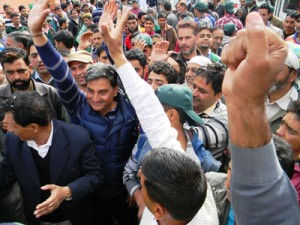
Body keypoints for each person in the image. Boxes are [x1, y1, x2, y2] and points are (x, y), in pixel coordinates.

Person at [98, 2, 300, 224]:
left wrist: (247, 103)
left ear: (157, 211)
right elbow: (153, 116)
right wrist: (117, 55)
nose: (139, 175)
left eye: (142, 180)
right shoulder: (188, 188)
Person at [28, 2, 140, 224]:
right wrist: (38, 35)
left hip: (124, 192)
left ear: (116, 90)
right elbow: (60, 72)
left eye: (103, 92)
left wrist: (135, 187)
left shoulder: (132, 109)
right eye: (90, 91)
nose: (95, 98)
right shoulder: (79, 105)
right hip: (90, 192)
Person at [0, 91, 102, 225]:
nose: (9, 130)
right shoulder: (13, 141)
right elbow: (5, 176)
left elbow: (95, 176)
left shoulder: (77, 137)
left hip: (72, 218)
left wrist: (66, 191)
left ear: (33, 127)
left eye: (12, 126)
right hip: (36, 218)